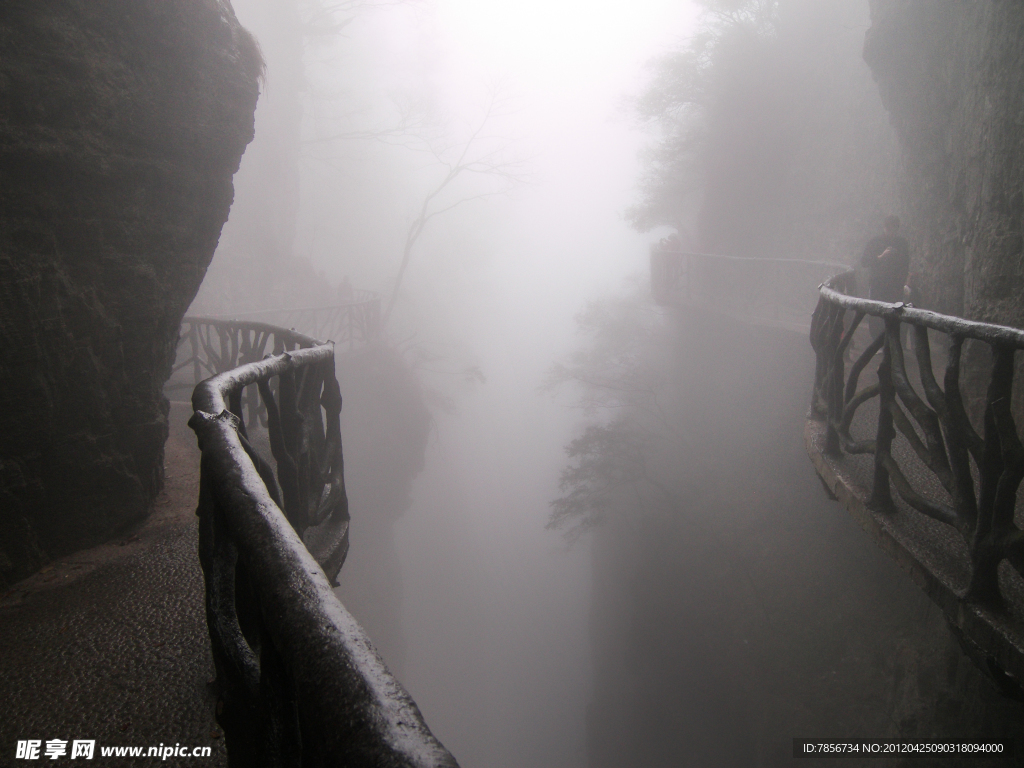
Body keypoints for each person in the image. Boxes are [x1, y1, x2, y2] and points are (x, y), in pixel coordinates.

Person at [860, 215, 910, 338]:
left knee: (894, 312)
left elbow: (906, 263)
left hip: (895, 285)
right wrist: (881, 257)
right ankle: (876, 340)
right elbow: (864, 262)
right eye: (889, 228)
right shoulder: (875, 242)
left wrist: (903, 281)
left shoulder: (902, 243)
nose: (891, 231)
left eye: (894, 228)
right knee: (876, 311)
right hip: (877, 283)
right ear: (884, 228)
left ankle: (891, 341)